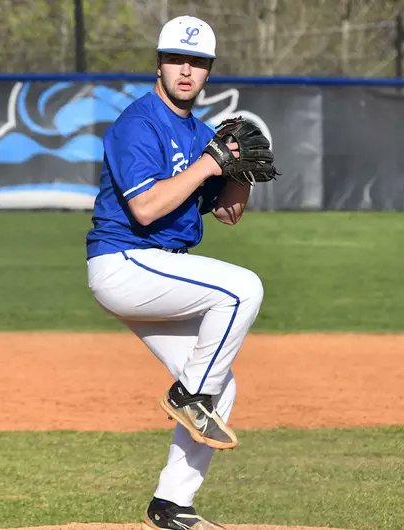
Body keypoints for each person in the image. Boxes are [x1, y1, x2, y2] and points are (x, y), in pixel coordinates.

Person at [86, 16, 264, 530]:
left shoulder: (203, 133)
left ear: (208, 71)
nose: (186, 71)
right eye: (177, 60)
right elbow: (145, 209)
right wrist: (209, 165)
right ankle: (186, 396)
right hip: (124, 260)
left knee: (221, 390)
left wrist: (242, 174)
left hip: (163, 271)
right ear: (159, 64)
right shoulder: (137, 124)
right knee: (242, 289)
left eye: (198, 63)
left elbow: (227, 214)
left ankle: (170, 505)